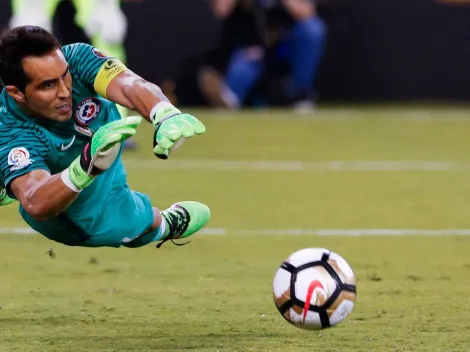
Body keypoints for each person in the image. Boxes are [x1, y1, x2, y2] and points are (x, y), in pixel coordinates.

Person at [0, 26, 210, 249]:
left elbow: (129, 84)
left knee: (119, 203)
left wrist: (163, 112)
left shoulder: (77, 58)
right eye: (48, 85)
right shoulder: (10, 129)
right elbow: (36, 202)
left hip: (104, 139)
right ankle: (165, 224)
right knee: (119, 223)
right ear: (16, 93)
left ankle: (9, 178)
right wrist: (83, 168)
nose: (64, 91)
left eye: (65, 76)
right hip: (66, 191)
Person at [199, 0, 326, 111]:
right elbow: (220, 10)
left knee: (312, 29)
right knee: (244, 62)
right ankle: (229, 100)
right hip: (254, 50)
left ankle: (301, 95)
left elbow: (307, 13)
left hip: (286, 48)